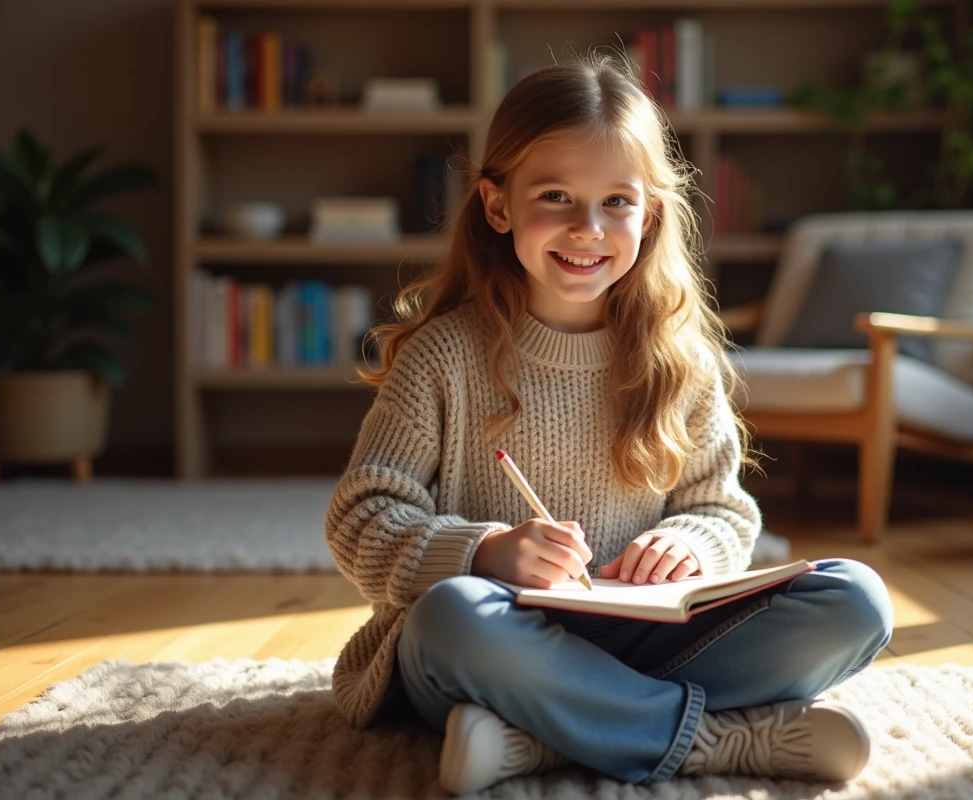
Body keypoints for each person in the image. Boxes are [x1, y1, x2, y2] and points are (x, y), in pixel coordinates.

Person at [324, 52, 894, 795]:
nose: (588, 229)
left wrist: (687, 544)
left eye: (616, 202)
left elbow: (723, 510)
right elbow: (360, 518)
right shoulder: (443, 357)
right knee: (449, 618)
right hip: (497, 641)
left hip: (647, 640)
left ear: (650, 213)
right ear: (497, 206)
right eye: (555, 196)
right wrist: (484, 553)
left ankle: (548, 735)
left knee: (855, 599)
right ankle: (712, 741)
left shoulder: (679, 360)